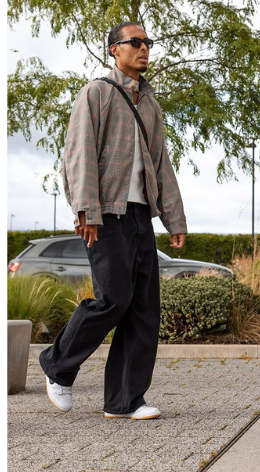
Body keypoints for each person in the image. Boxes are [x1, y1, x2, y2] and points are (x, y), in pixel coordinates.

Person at [39, 21, 187, 420]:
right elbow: (79, 153)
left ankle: (124, 401)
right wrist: (86, 209)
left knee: (143, 308)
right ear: (113, 50)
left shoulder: (151, 105)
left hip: (140, 215)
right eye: (134, 42)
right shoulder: (96, 94)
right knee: (113, 298)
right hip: (105, 213)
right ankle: (57, 365)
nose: (143, 48)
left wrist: (175, 218)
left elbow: (161, 164)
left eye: (147, 42)